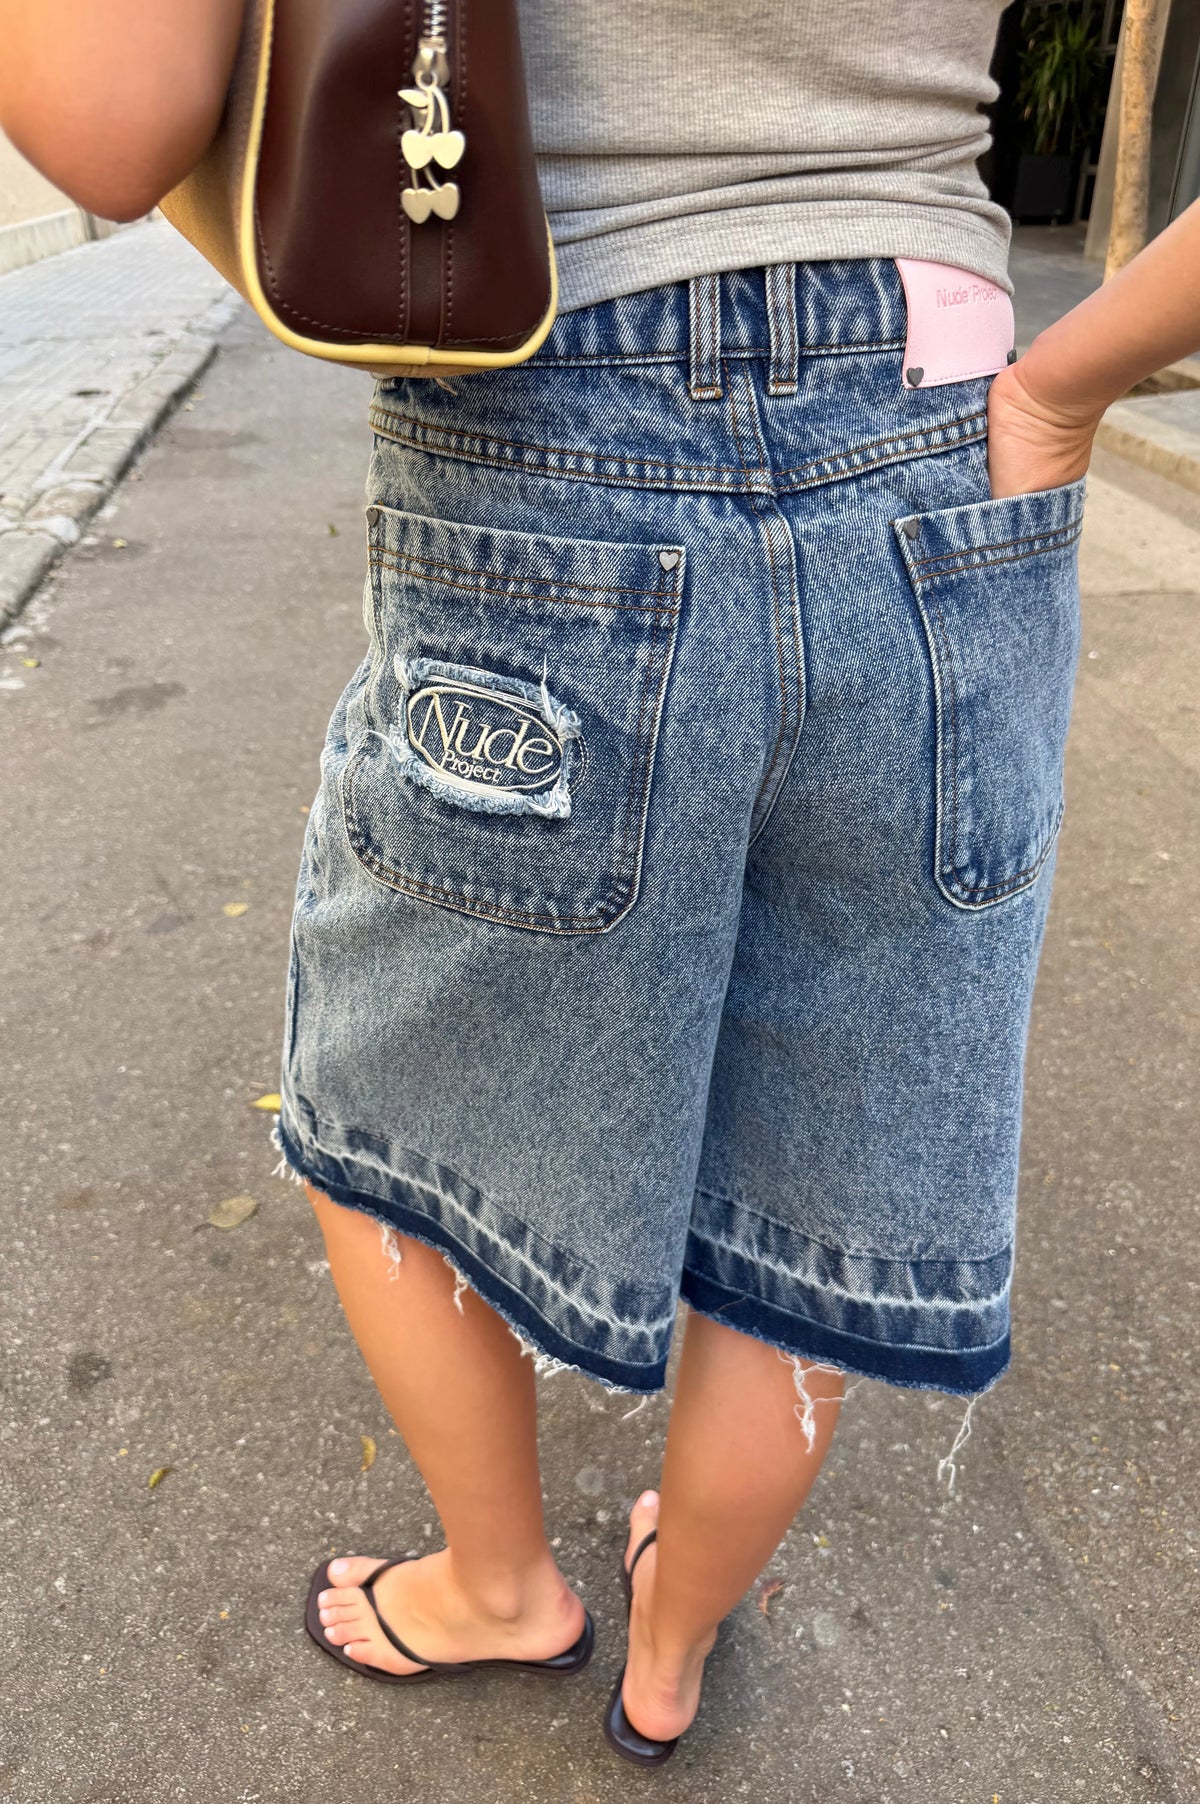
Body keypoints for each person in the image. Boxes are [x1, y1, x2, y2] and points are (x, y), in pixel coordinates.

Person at [5, 0, 1199, 1768]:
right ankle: (671, 1648)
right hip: (948, 423)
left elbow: (104, 119)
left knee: (391, 1080)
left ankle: (500, 1585)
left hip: (547, 392)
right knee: (824, 1153)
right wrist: (1071, 380)